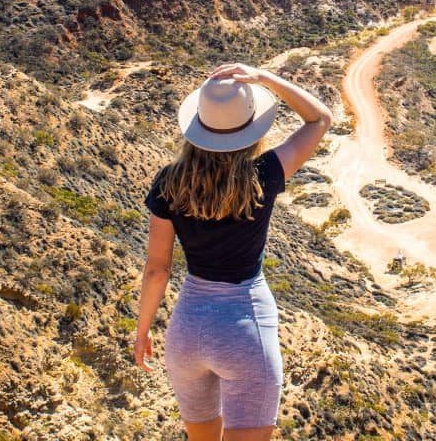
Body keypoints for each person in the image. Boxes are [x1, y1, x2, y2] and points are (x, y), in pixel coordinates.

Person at [134, 62, 332, 441]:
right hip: (245, 328)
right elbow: (319, 119)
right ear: (251, 128)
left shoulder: (168, 183)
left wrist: (142, 331)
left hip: (186, 334)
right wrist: (263, 78)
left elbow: (157, 269)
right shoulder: (265, 174)